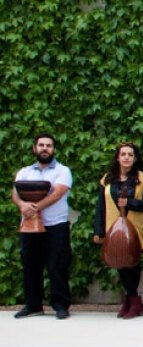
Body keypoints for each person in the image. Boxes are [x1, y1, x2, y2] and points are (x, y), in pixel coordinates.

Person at [12, 133, 73, 319]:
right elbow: (15, 194)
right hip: (29, 226)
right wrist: (23, 206)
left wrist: (35, 208)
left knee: (57, 266)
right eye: (41, 145)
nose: (44, 148)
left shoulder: (62, 171)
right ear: (35, 149)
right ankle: (33, 305)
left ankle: (61, 306)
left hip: (55, 226)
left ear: (54, 150)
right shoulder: (24, 172)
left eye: (48, 145)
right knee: (30, 265)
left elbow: (57, 193)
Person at [92, 142, 143, 319]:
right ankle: (133, 300)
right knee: (120, 262)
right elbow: (101, 206)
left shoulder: (142, 179)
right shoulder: (107, 179)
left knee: (132, 261)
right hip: (113, 227)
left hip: (135, 227)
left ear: (135, 159)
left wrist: (130, 203)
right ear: (118, 158)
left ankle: (132, 300)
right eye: (123, 154)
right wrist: (99, 230)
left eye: (130, 155)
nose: (126, 157)